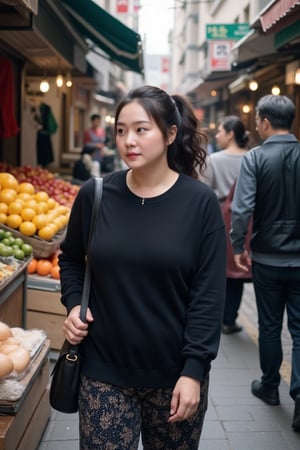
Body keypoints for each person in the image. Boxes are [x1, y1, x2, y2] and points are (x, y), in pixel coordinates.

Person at [58, 85, 226, 449]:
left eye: (141, 129)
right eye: (120, 130)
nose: (128, 141)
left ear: (169, 134)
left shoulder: (200, 204)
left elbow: (209, 295)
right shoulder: (95, 194)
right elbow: (70, 257)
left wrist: (194, 370)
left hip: (175, 377)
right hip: (103, 371)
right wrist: (74, 304)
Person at [230, 95, 300, 431]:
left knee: (270, 325)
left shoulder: (256, 158)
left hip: (268, 258)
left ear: (266, 122)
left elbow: (242, 208)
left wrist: (236, 245)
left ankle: (270, 386)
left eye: (257, 120)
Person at [202, 115, 251, 334]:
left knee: (221, 268)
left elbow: (204, 191)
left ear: (231, 134)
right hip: (250, 220)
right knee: (239, 271)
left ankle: (219, 317)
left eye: (220, 131)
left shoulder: (214, 160)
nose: (218, 135)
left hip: (219, 218)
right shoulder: (253, 158)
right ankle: (230, 319)